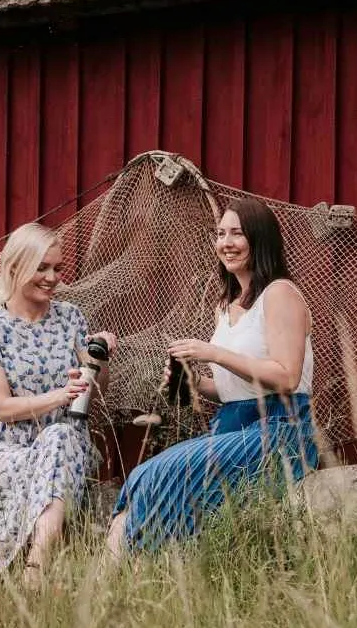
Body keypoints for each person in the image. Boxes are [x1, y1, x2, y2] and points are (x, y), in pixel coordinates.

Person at [107, 197, 319, 554]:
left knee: (158, 473)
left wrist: (214, 353)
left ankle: (125, 568)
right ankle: (116, 574)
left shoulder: (280, 293)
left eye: (237, 233)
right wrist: (193, 383)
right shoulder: (226, 306)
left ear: (260, 239)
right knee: (142, 476)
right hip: (232, 424)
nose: (226, 243)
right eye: (220, 234)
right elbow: (234, 390)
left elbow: (286, 378)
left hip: (279, 430)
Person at [0, 222, 117, 580]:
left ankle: (36, 568)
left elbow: (98, 391)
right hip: (7, 452)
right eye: (42, 268)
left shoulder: (70, 318)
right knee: (57, 438)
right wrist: (60, 396)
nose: (52, 277)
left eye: (58, 268)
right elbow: (0, 407)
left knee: (61, 436)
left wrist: (101, 359)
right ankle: (32, 566)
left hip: (66, 446)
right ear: (15, 267)